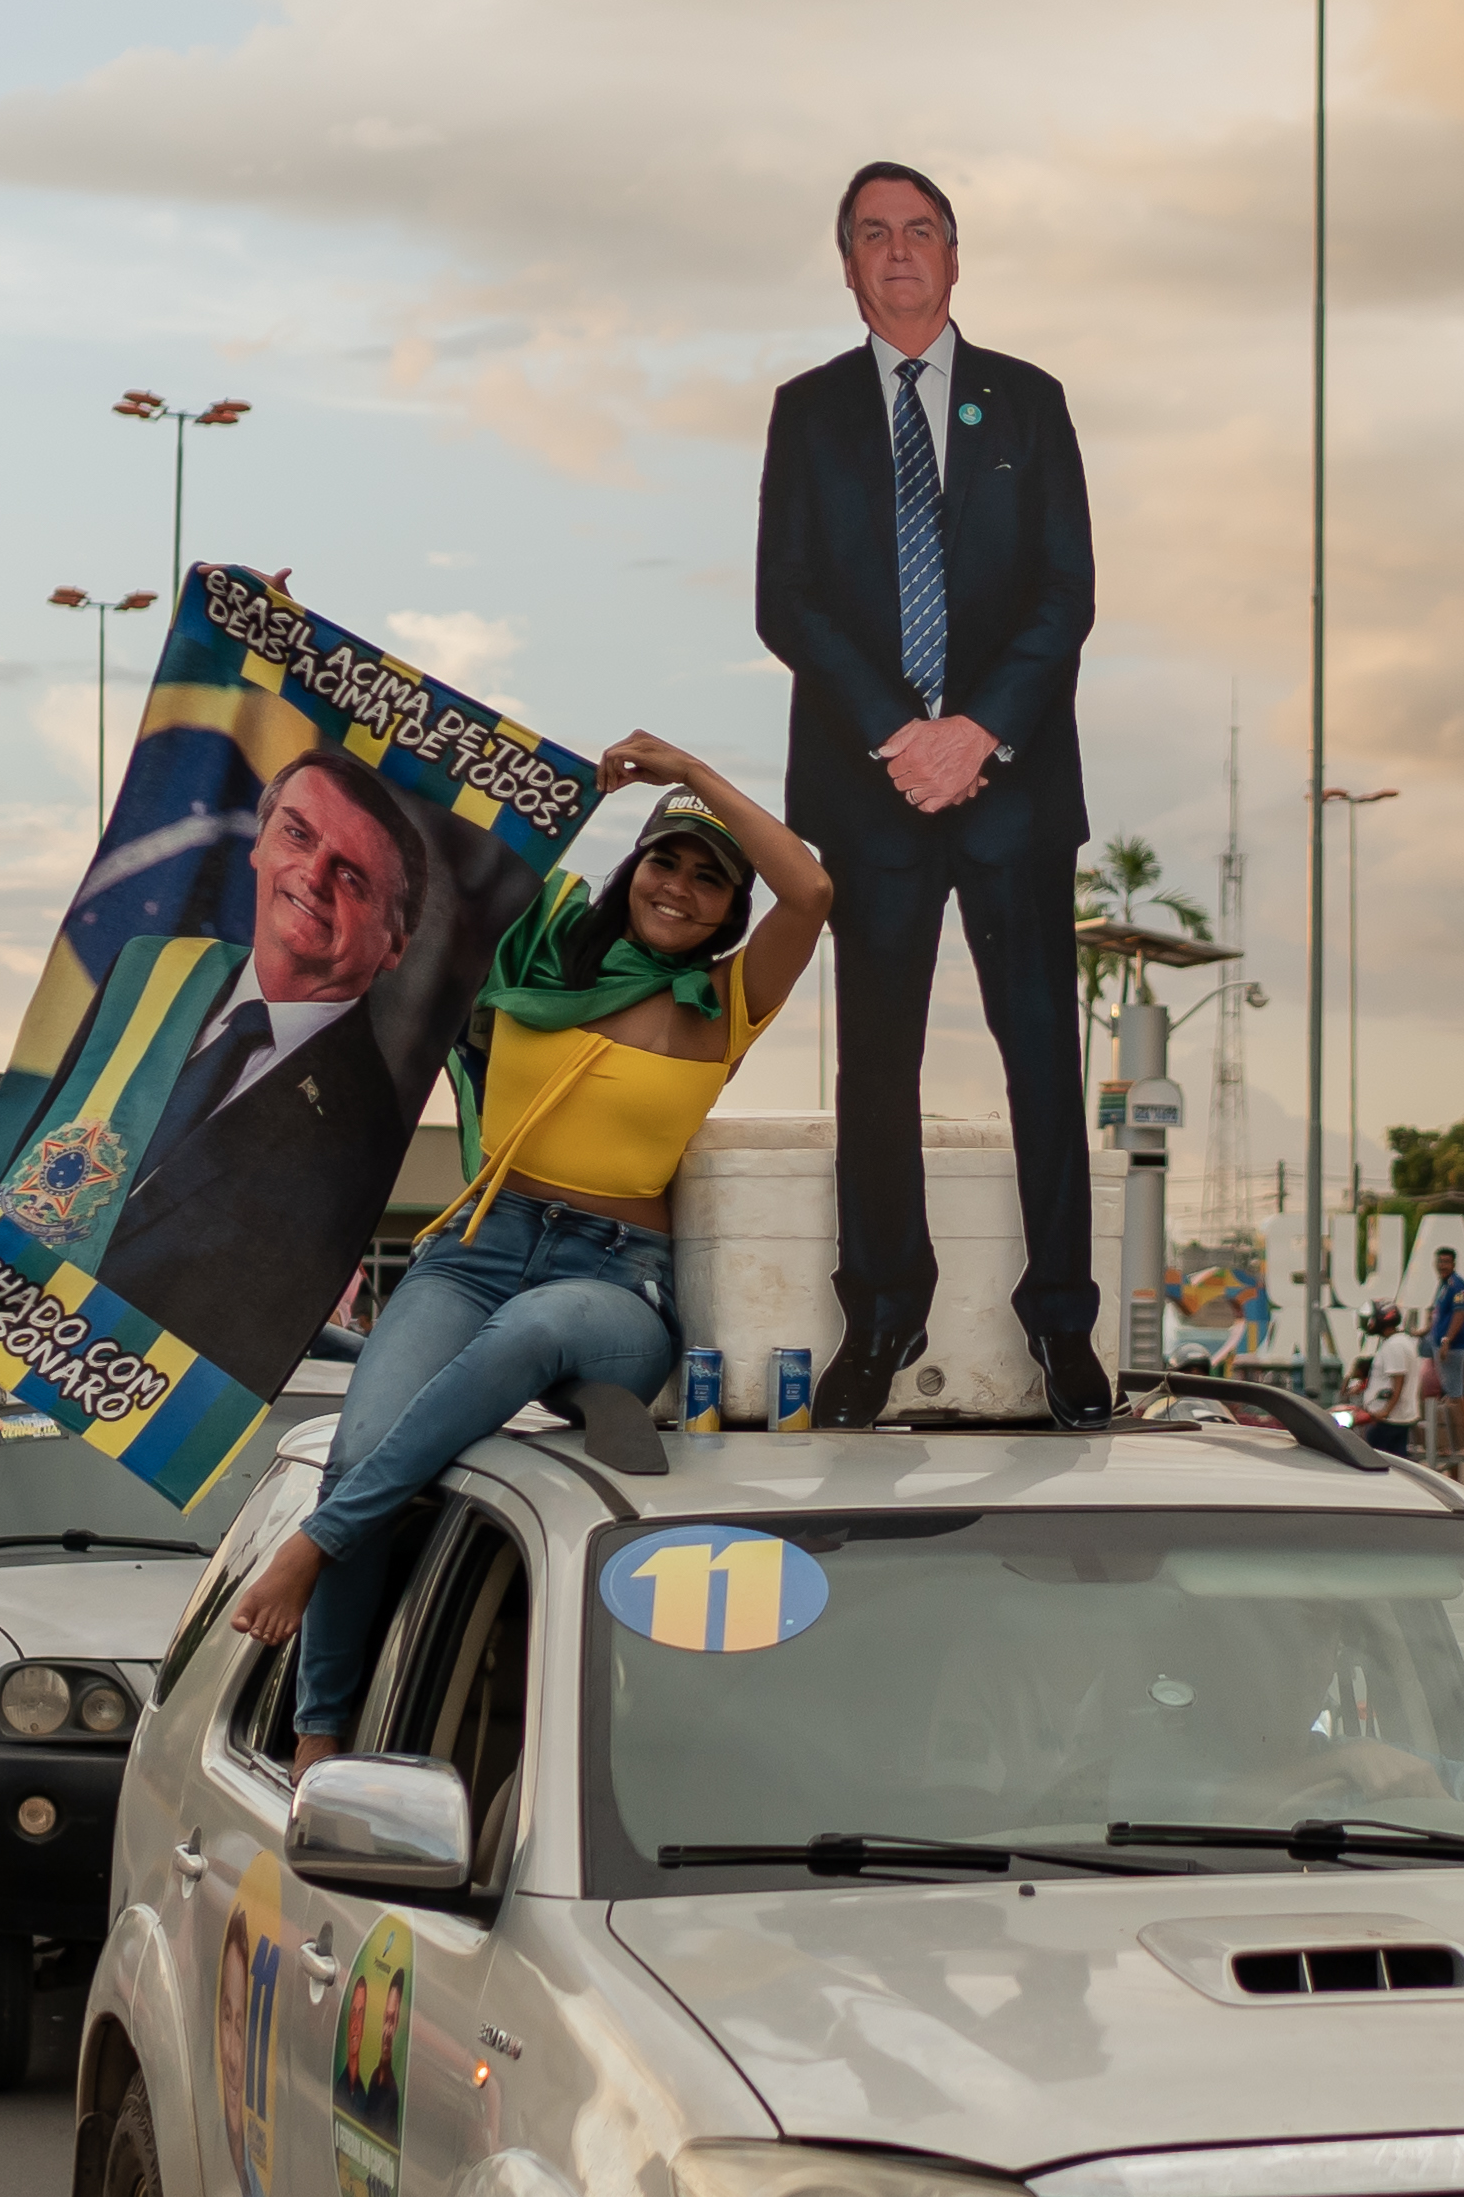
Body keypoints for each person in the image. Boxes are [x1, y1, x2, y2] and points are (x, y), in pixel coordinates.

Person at [225, 738, 832, 1764]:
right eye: (667, 861)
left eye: (710, 880)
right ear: (630, 868)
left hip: (616, 1283)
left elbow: (812, 890)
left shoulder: (729, 1000)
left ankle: (308, 1551)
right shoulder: (534, 948)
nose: (681, 891)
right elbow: (441, 842)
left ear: (732, 909)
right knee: (364, 1448)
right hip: (477, 1246)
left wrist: (685, 768)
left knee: (536, 1327)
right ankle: (319, 1736)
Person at [754, 160, 1106, 1428]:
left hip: (1010, 787)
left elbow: (1066, 595)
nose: (898, 253)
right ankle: (883, 1313)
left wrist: (978, 734)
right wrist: (904, 735)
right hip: (872, 787)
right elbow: (784, 600)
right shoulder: (807, 411)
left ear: (956, 257)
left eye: (921, 232)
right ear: (846, 268)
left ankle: (1063, 1323)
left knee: (1041, 1064)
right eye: (872, 236)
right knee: (877, 1065)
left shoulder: (1029, 402)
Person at [83, 750, 496, 1397]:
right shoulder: (147, 973)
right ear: (257, 845)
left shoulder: (365, 1124)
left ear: (395, 943)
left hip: (155, 1390)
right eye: (298, 834)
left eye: (354, 876)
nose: (312, 875)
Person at [1418, 1243, 1464, 1470]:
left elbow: (1459, 1314)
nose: (1442, 1266)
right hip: (1441, 1346)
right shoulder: (1443, 1286)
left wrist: (1447, 1340)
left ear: (1453, 1263)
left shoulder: (1457, 1285)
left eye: (1446, 1262)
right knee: (1448, 1393)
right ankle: (1450, 1440)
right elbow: (1438, 1315)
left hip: (1453, 1347)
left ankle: (1460, 1441)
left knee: (1455, 1394)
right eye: (1439, 1262)